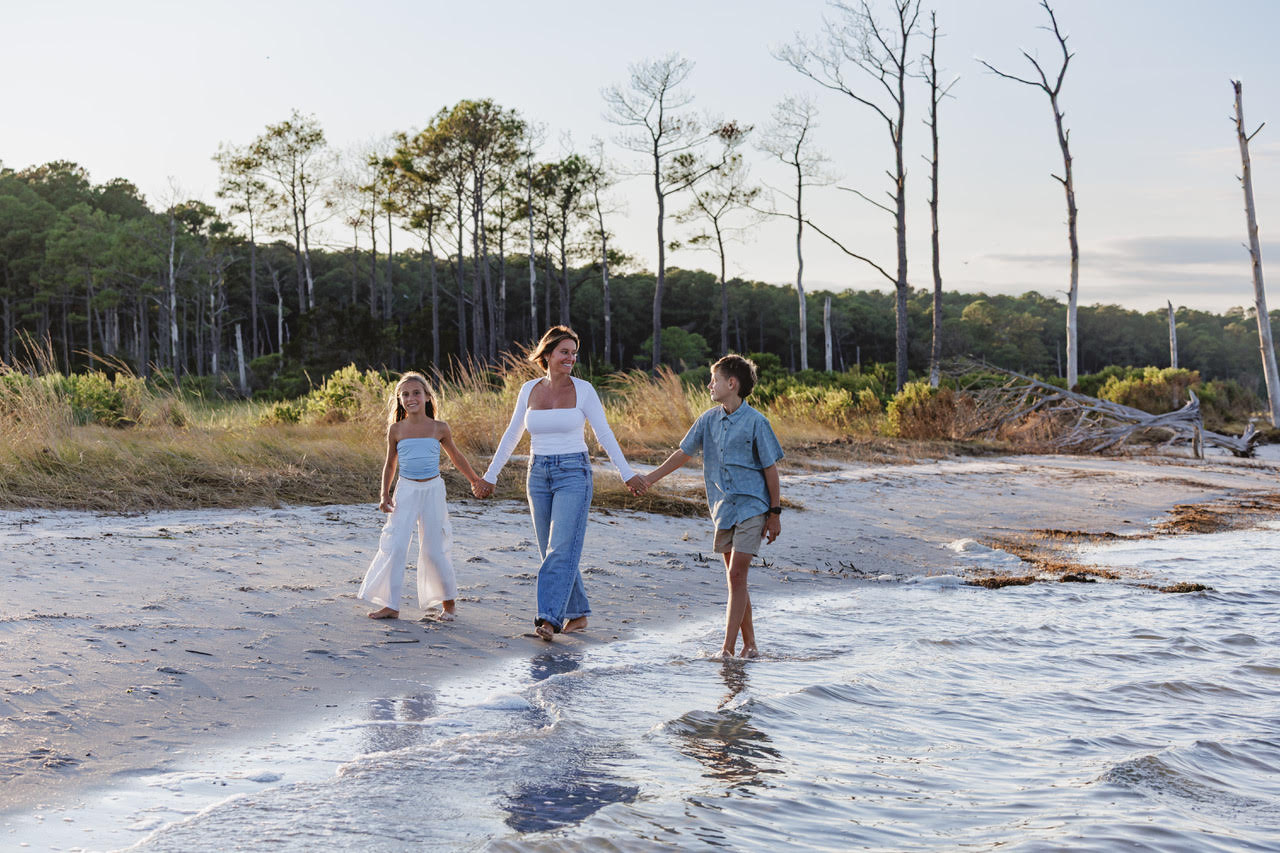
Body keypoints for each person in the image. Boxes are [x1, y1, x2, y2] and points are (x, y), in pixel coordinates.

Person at [473, 325, 647, 641]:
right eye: (564, 351)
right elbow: (512, 434)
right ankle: (577, 614)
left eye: (574, 353)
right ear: (548, 354)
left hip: (573, 473)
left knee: (560, 548)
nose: (570, 358)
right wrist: (490, 475)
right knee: (551, 550)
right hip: (537, 473)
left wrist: (627, 473)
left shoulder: (584, 390)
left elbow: (604, 434)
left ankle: (548, 619)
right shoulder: (529, 389)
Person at [641, 354, 783, 658]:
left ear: (731, 384)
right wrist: (649, 479)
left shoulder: (757, 422)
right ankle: (751, 645)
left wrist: (774, 514)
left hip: (753, 507)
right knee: (736, 580)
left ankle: (727, 649)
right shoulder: (707, 420)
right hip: (723, 510)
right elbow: (683, 453)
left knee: (736, 576)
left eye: (713, 380)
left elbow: (770, 469)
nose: (709, 385)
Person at [359, 371, 483, 621]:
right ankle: (390, 604)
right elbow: (390, 464)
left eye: (416, 393)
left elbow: (456, 457)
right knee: (395, 545)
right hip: (405, 491)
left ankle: (448, 604)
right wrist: (384, 494)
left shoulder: (439, 428)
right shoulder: (396, 429)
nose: (410, 398)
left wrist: (475, 480)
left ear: (427, 396)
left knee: (434, 549)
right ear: (400, 399)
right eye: (405, 394)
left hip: (432, 491)